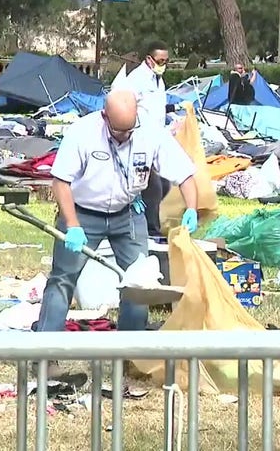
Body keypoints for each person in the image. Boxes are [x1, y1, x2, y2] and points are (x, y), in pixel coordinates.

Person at [36, 89, 199, 374]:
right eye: (118, 131)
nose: (124, 136)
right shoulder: (82, 132)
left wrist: (192, 208)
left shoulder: (150, 133)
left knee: (140, 282)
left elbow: (185, 174)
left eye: (129, 129)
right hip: (83, 212)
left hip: (128, 212)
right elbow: (60, 181)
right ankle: (43, 357)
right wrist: (72, 224)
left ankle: (129, 355)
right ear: (104, 116)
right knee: (63, 280)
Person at [112, 40, 183, 237]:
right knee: (153, 185)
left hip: (157, 137)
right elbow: (126, 105)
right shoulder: (137, 79)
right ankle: (151, 230)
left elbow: (155, 107)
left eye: (166, 60)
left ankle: (150, 222)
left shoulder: (158, 80)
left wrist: (174, 113)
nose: (164, 64)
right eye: (160, 60)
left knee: (165, 183)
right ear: (149, 59)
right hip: (140, 138)